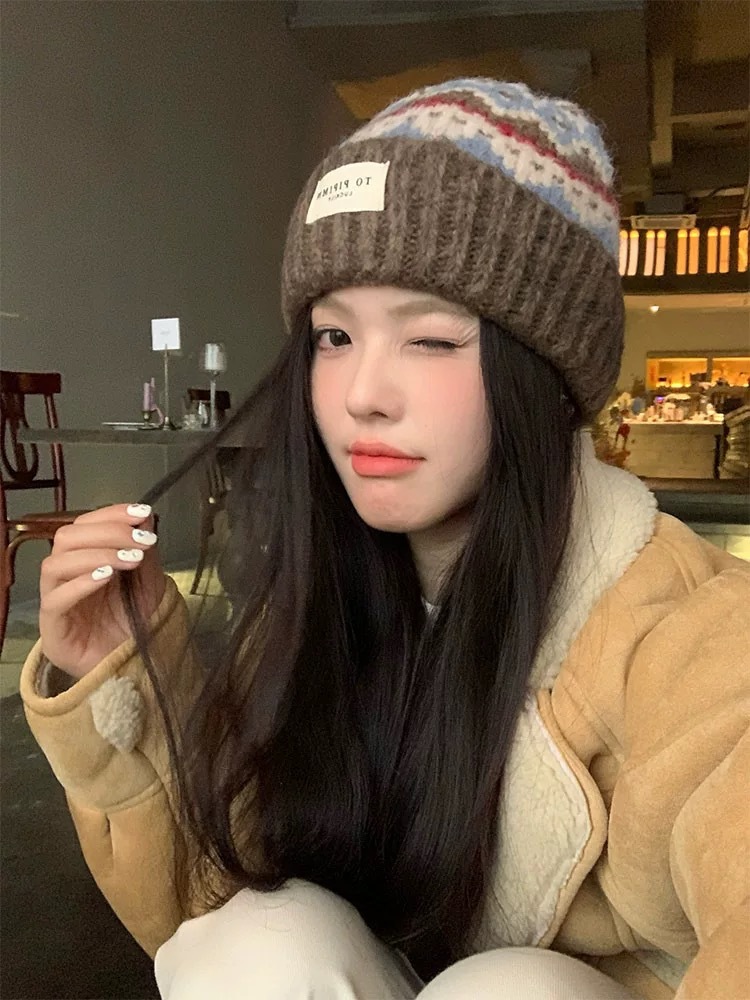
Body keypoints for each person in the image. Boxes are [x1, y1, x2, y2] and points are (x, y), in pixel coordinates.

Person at [20, 79, 749, 999]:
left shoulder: (689, 635)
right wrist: (127, 678)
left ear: (543, 373)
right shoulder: (325, 596)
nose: (363, 393)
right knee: (258, 938)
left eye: (430, 340)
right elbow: (197, 918)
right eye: (333, 337)